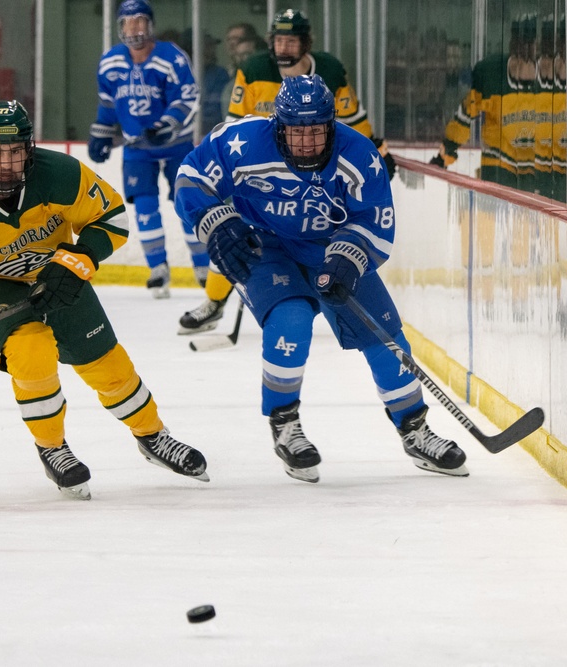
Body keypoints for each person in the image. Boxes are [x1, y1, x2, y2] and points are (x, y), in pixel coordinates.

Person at [0, 100, 209, 500]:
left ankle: (152, 436)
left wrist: (77, 258)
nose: (5, 163)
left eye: (14, 152)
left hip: (54, 273)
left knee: (106, 362)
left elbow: (111, 217)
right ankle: (52, 446)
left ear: (29, 149)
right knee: (31, 349)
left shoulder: (61, 174)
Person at [174, 75, 467, 483]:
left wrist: (347, 259)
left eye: (316, 131)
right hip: (263, 244)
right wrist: (214, 219)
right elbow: (191, 176)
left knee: (385, 336)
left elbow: (374, 220)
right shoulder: (242, 141)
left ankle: (415, 431)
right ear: (278, 126)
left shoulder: (358, 154)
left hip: (330, 248)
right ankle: (285, 423)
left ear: (330, 125)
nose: (308, 143)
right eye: (297, 132)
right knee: (290, 318)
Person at [180, 8, 395, 335]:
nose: (283, 48)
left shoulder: (331, 71)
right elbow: (237, 124)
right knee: (231, 236)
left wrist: (377, 149)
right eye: (278, 40)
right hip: (259, 171)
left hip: (314, 165)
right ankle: (214, 301)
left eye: (291, 41)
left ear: (305, 42)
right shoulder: (253, 69)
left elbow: (350, 119)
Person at [88, 0, 208, 299]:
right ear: (119, 27)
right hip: (136, 148)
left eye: (140, 21)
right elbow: (107, 104)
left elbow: (188, 96)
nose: (134, 28)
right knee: (144, 206)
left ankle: (203, 267)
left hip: (176, 145)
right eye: (128, 22)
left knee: (187, 204)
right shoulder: (110, 62)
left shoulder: (171, 57)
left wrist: (167, 125)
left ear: (151, 25)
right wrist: (101, 134)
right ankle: (158, 268)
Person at [429, 15, 539, 193]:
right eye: (520, 41)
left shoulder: (545, 80)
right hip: (497, 170)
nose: (524, 48)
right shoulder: (490, 74)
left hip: (532, 176)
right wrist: (445, 154)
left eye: (529, 42)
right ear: (512, 43)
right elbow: (466, 115)